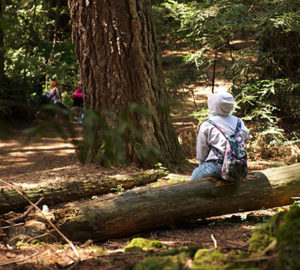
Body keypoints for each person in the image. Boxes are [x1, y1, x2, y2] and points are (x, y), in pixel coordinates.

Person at [190, 91, 249, 180]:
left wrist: (201, 164)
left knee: (193, 182)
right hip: (238, 167)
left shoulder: (208, 124)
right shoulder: (238, 122)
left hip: (216, 166)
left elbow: (202, 150)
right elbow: (245, 136)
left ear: (213, 105)